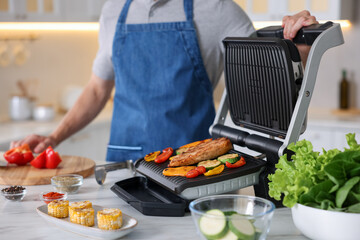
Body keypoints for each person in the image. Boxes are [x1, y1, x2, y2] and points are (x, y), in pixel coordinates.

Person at [11, 0, 318, 162]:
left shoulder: (219, 11)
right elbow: (96, 88)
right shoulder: (113, 11)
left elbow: (264, 92)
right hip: (124, 166)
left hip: (195, 169)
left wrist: (298, 52)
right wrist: (55, 137)